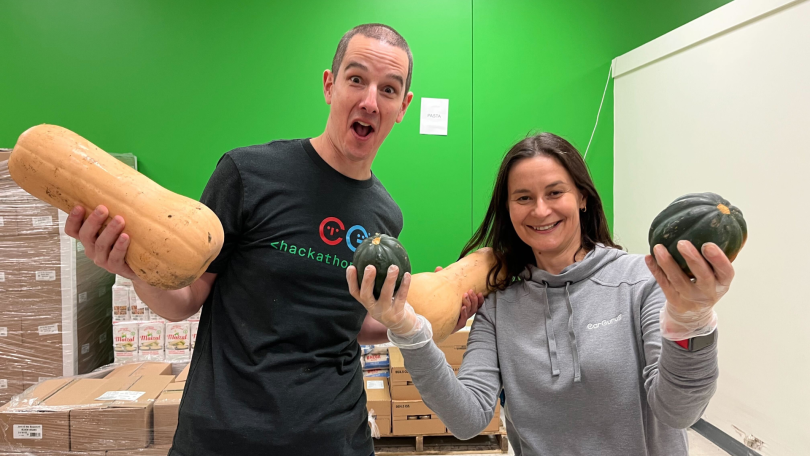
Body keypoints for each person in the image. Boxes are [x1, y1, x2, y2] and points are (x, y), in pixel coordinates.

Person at [64, 24, 474, 456]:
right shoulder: (248, 174)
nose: (370, 102)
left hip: (334, 438)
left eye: (388, 89)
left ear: (403, 106)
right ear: (329, 85)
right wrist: (133, 269)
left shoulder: (385, 214)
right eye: (356, 79)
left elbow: (352, 323)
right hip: (224, 437)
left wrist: (419, 318)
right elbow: (184, 299)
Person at [349, 132, 734, 456]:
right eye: (523, 198)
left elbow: (678, 412)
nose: (540, 210)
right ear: (508, 209)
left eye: (555, 192)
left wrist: (692, 321)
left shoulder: (639, 281)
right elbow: (467, 419)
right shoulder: (499, 304)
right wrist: (409, 331)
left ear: (582, 197)